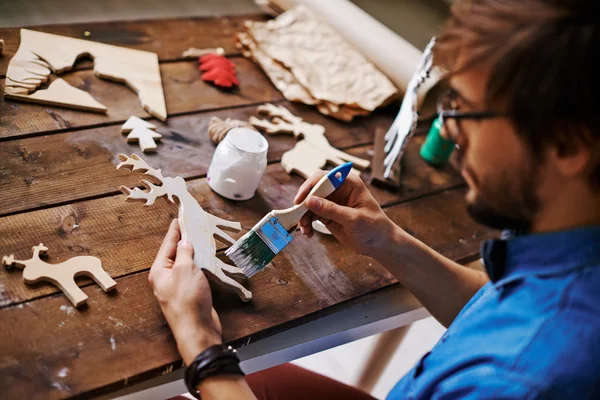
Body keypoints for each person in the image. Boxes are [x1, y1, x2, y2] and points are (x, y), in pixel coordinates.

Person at [151, 0, 600, 398]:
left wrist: (202, 347)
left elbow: (516, 347)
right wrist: (387, 242)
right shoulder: (572, 248)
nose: (447, 131)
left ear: (566, 146)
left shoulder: (516, 380)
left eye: (464, 109)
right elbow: (496, 313)